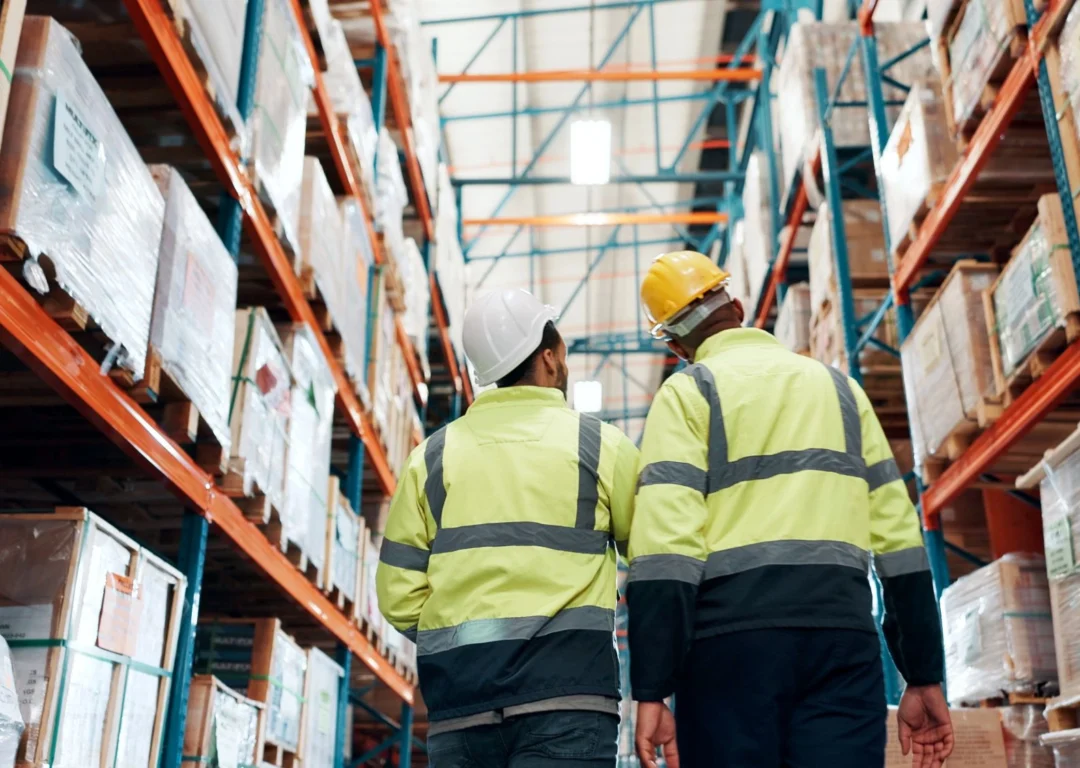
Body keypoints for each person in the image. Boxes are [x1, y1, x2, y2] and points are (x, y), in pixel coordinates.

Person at [627, 251, 953, 768]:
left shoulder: (689, 394)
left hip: (728, 654)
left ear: (674, 344)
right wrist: (923, 672)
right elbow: (902, 545)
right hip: (841, 642)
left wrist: (651, 688)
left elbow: (667, 554)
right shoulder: (842, 391)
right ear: (736, 305)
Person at [376, 288, 640, 768]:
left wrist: (463, 643)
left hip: (461, 706)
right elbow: (653, 563)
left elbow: (397, 595)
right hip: (570, 700)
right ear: (548, 357)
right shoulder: (602, 447)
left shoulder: (430, 459)